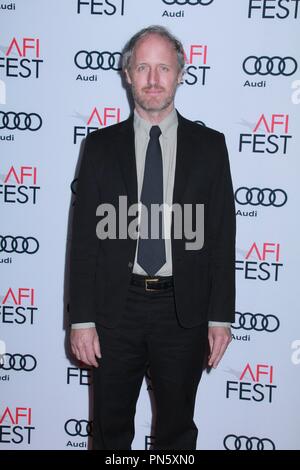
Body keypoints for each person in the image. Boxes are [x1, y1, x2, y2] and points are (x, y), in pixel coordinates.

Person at [69, 25, 236, 450]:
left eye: (164, 67)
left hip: (183, 313)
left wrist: (220, 317)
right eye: (143, 67)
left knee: (177, 435)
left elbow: (220, 235)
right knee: (110, 433)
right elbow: (84, 241)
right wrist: (81, 319)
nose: (153, 79)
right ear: (127, 74)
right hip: (113, 311)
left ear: (181, 72)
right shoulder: (100, 147)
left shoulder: (211, 147)